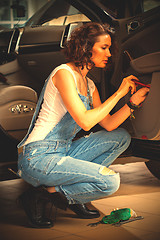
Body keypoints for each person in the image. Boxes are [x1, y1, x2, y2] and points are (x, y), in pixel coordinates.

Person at [17, 22, 149, 228]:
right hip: (38, 157)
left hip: (64, 150)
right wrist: (119, 93)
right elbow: (85, 121)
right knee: (110, 182)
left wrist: (132, 103)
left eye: (109, 48)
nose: (109, 54)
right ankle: (41, 196)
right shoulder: (63, 74)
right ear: (86, 47)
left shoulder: (89, 85)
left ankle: (65, 194)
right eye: (103, 48)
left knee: (120, 137)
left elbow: (109, 124)